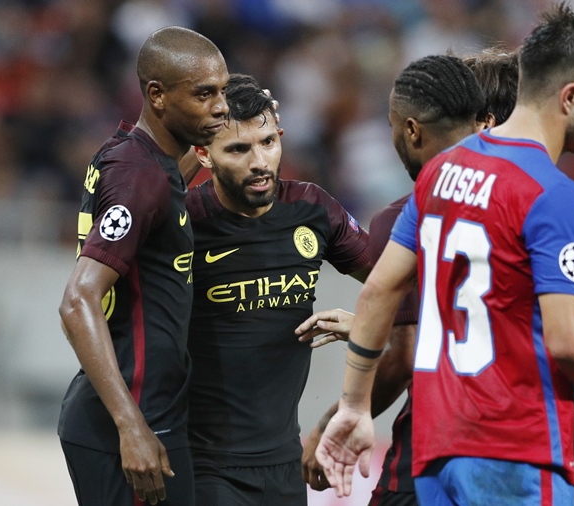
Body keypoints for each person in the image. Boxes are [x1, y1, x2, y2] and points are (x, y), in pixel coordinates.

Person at [315, 3, 574, 504]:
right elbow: (568, 338)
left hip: (438, 450)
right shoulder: (551, 193)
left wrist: (353, 406)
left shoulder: (442, 173)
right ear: (571, 97)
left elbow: (379, 288)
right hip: (519, 453)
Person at [57, 26, 229, 506]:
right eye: (204, 94)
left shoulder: (139, 159)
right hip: (133, 420)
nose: (220, 106)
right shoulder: (141, 177)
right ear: (157, 94)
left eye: (222, 91)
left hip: (147, 411)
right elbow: (77, 301)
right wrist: (131, 426)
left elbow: (155, 204)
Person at [183, 73, 371, 505]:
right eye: (237, 148)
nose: (259, 162)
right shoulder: (184, 222)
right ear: (203, 154)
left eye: (268, 142)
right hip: (202, 465)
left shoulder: (312, 208)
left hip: (285, 465)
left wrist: (365, 323)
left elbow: (395, 284)